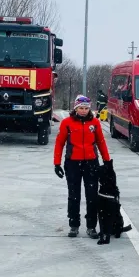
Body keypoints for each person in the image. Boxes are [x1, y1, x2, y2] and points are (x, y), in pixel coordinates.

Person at [54, 94, 111, 238]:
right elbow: (60, 143)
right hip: (72, 163)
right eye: (81, 108)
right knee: (74, 195)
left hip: (91, 163)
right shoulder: (67, 123)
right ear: (76, 108)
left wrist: (107, 161)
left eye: (86, 108)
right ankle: (74, 225)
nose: (84, 111)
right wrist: (57, 163)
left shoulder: (95, 123)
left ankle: (91, 226)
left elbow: (101, 142)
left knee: (92, 196)